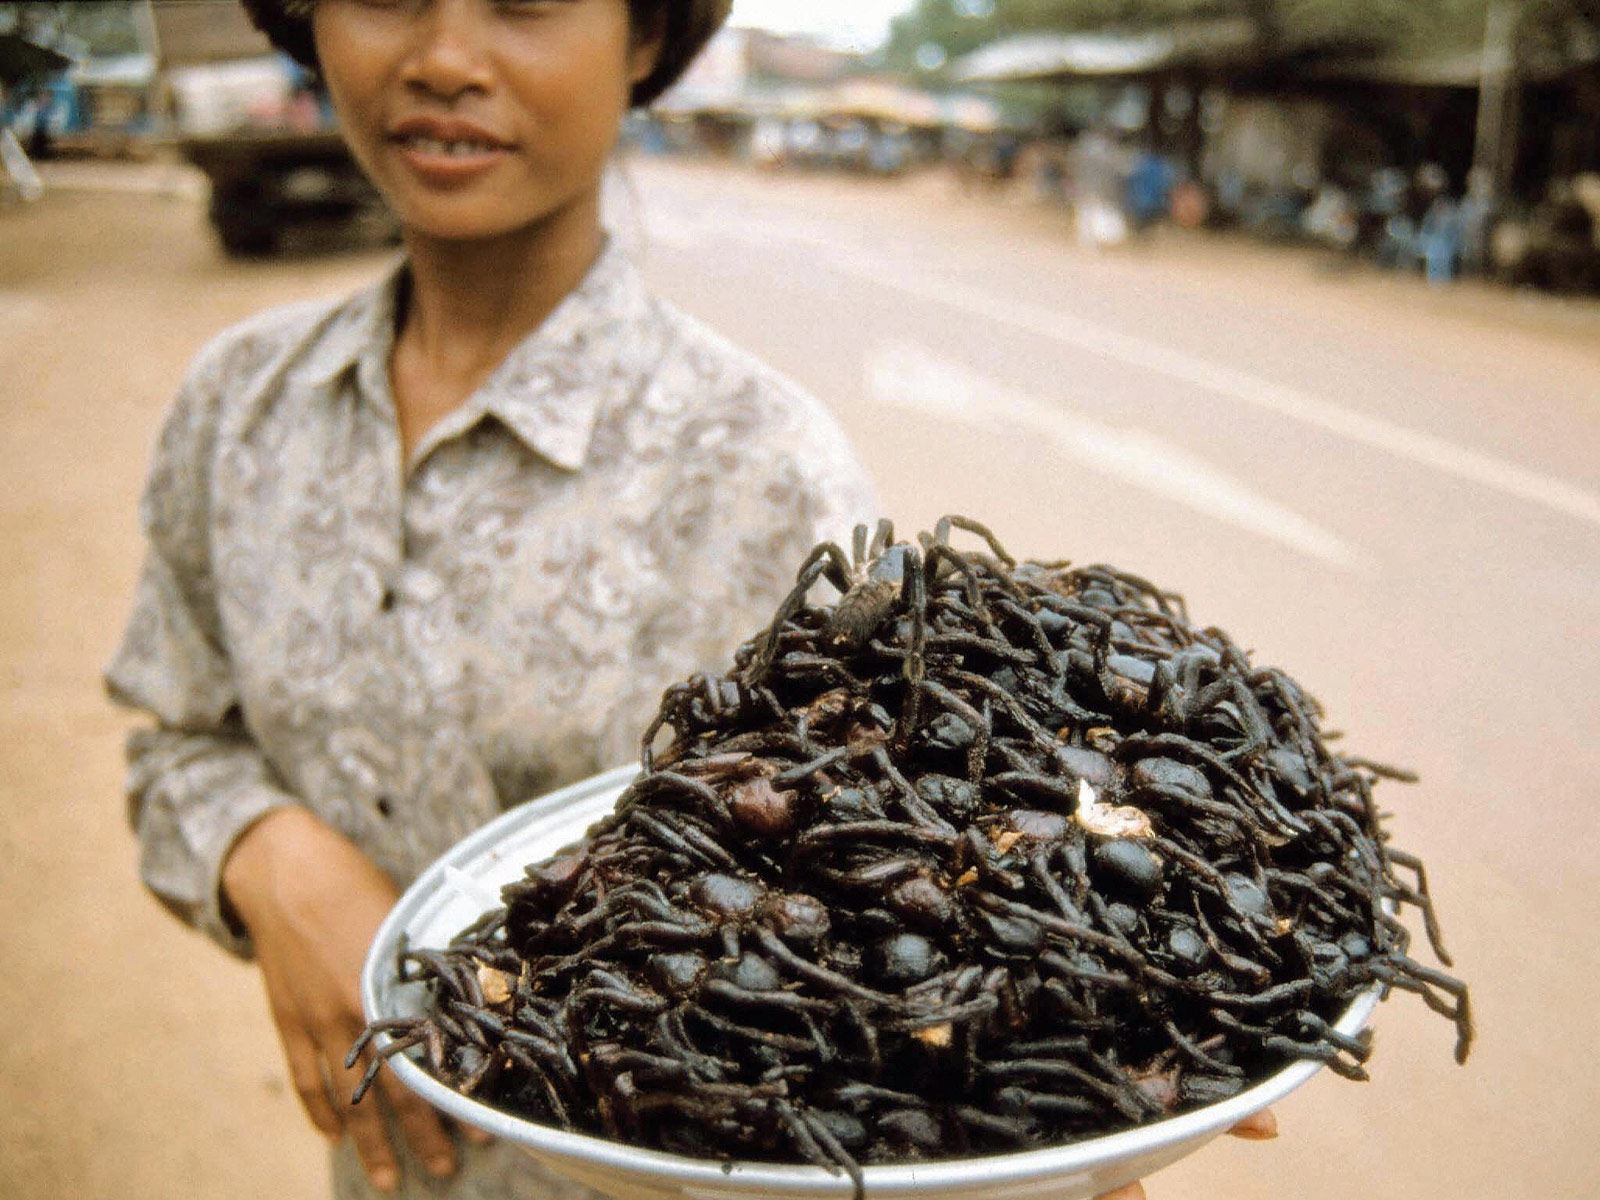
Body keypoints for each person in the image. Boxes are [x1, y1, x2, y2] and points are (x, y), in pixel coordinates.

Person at [104, 4, 1273, 1199]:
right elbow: (181, 740)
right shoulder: (238, 413)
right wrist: (267, 852)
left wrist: (1082, 1074)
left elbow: (921, 872)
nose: (445, 60)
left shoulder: (765, 470)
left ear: (648, 36)